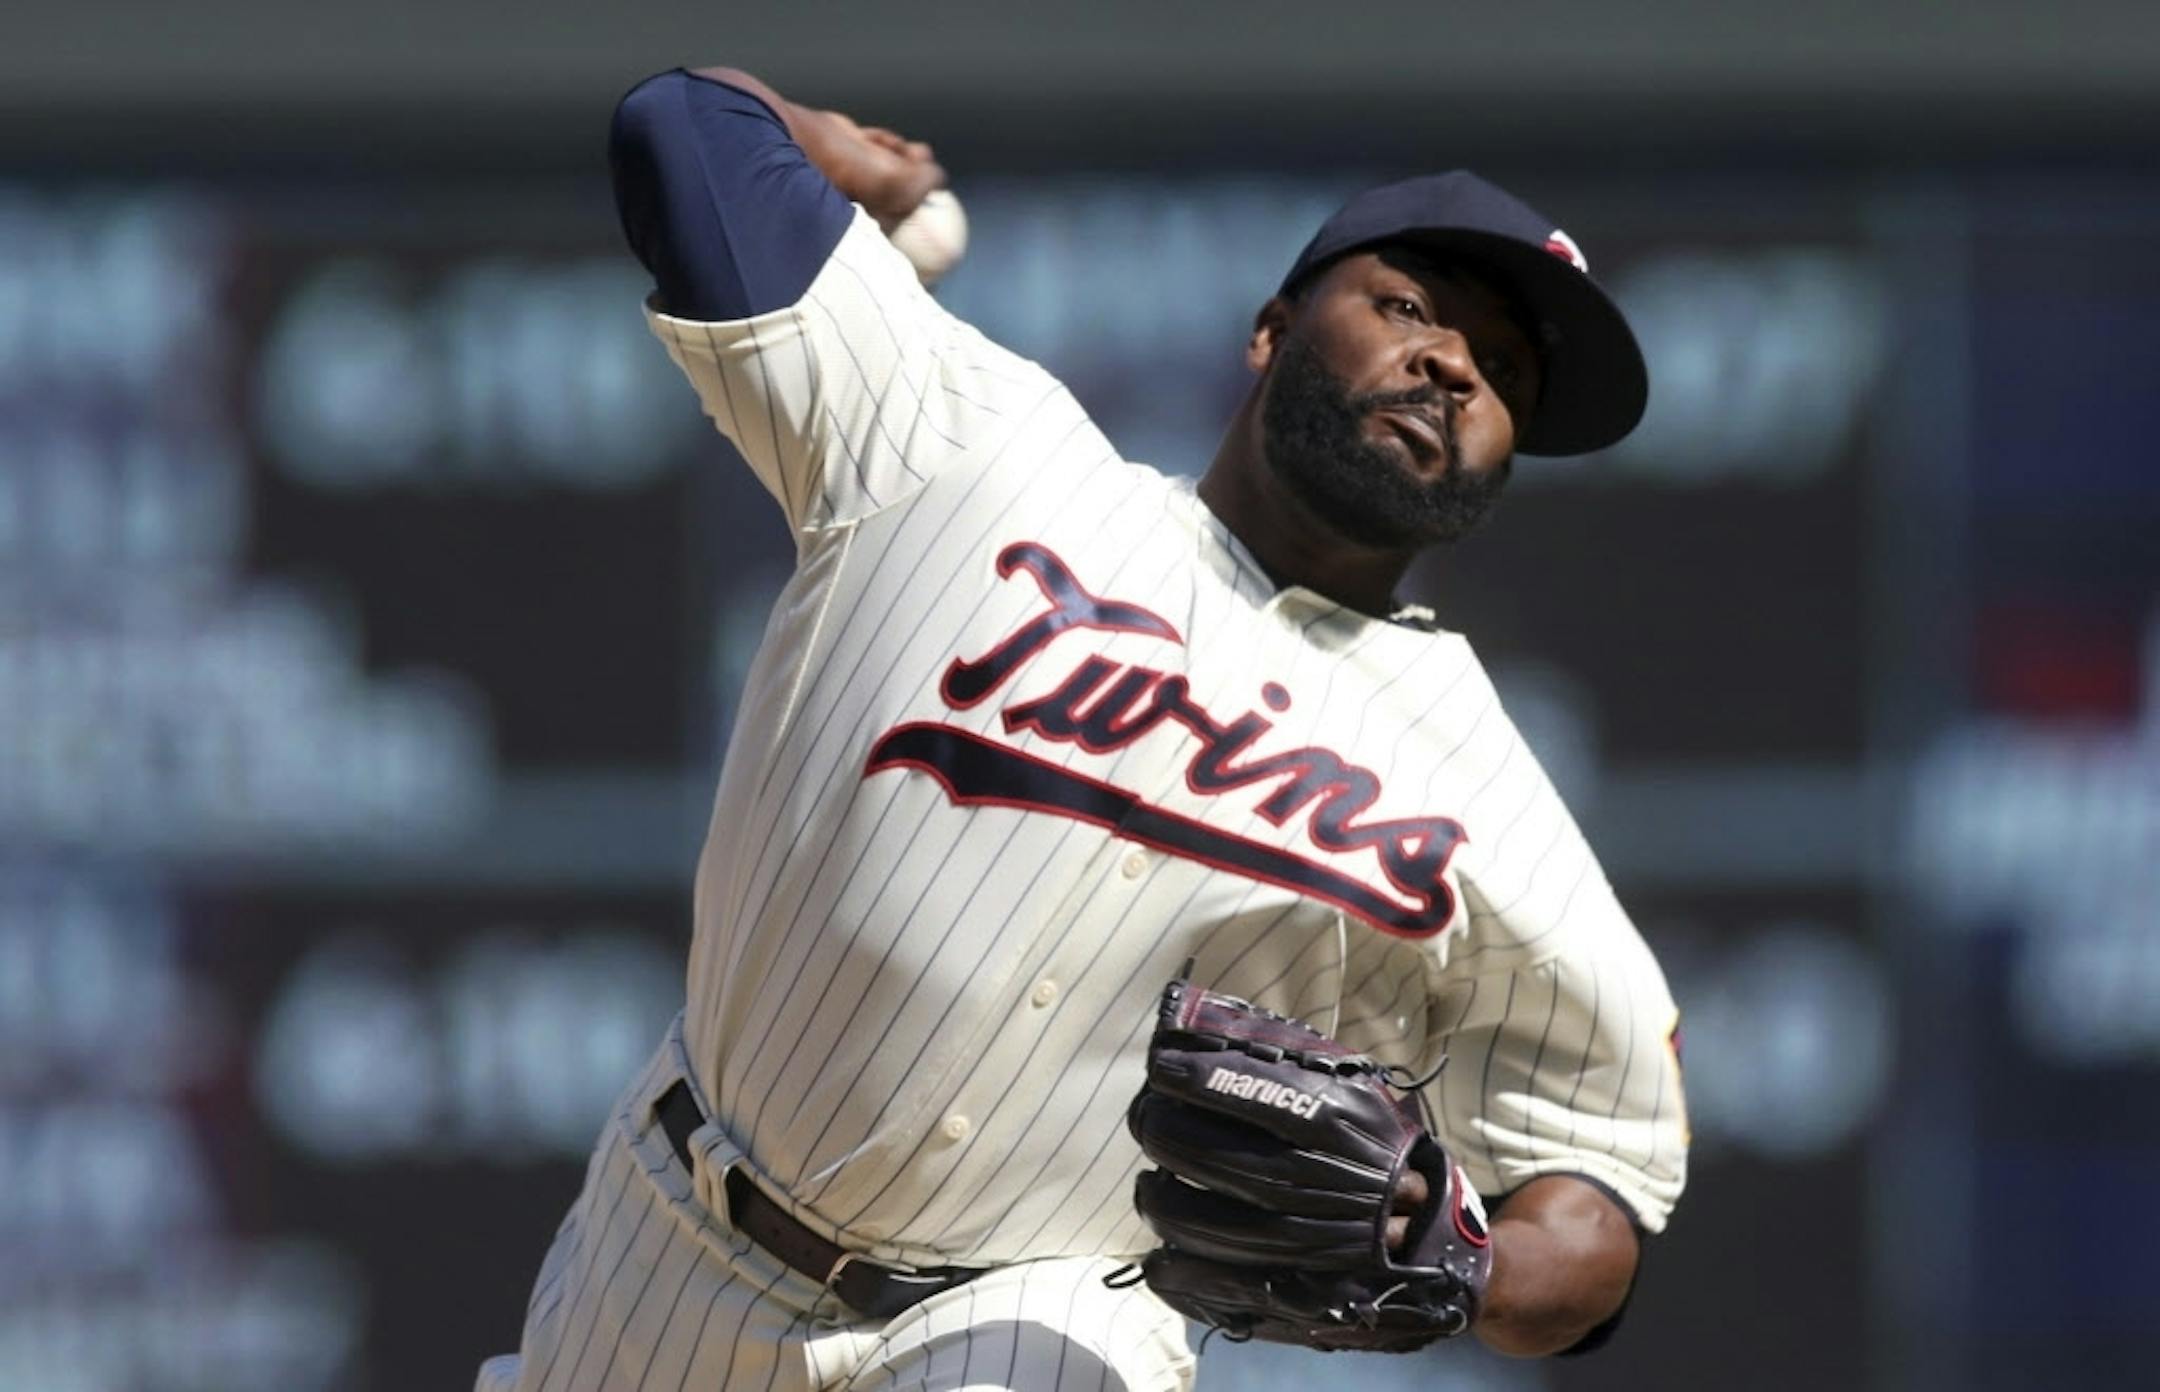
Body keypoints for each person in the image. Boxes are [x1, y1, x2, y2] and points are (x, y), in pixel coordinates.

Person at [478, 63, 1687, 1392]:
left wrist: (1473, 1263)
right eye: (1407, 307)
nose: (1450, 363)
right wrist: (849, 161)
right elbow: (682, 130)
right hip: (671, 1241)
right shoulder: (974, 449)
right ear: (1272, 328)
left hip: (1045, 1314)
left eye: (1501, 368)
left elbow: (1600, 1179)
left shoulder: (1487, 794)